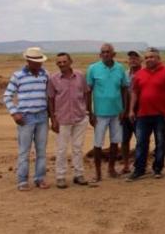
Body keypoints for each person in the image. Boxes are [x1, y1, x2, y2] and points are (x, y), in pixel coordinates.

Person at [3, 47, 50, 191]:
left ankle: (39, 178)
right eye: (35, 62)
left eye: (40, 61)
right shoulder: (18, 76)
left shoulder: (46, 75)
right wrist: (14, 113)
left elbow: (50, 95)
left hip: (42, 116)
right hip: (25, 118)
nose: (38, 64)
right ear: (28, 61)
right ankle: (22, 181)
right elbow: (7, 96)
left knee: (41, 151)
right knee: (24, 151)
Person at [127, 48, 165, 181]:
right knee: (141, 143)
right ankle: (139, 170)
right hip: (142, 114)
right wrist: (131, 110)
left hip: (161, 114)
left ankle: (157, 169)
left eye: (152, 57)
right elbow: (134, 93)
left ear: (158, 58)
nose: (149, 59)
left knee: (160, 142)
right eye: (147, 57)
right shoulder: (139, 74)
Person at [86, 43, 129, 183]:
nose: (105, 54)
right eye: (103, 52)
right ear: (100, 55)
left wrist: (124, 109)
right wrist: (90, 112)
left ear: (113, 54)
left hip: (117, 112)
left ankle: (111, 169)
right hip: (100, 113)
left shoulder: (120, 68)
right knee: (98, 143)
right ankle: (98, 172)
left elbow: (124, 89)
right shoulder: (93, 69)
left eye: (108, 52)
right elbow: (88, 91)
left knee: (115, 142)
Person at [47, 52, 90, 189]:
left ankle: (79, 175)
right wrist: (53, 119)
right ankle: (60, 177)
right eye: (59, 62)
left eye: (64, 61)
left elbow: (86, 93)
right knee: (61, 149)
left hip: (80, 117)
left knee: (78, 148)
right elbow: (51, 99)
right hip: (62, 119)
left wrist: (87, 112)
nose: (62, 64)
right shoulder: (53, 79)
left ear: (70, 61)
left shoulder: (80, 76)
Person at [121, 50, 143, 174]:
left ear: (141, 60)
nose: (133, 60)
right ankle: (125, 165)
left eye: (136, 57)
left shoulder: (145, 74)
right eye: (130, 58)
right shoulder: (124, 74)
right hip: (125, 112)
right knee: (124, 139)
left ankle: (140, 164)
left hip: (140, 112)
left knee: (141, 139)